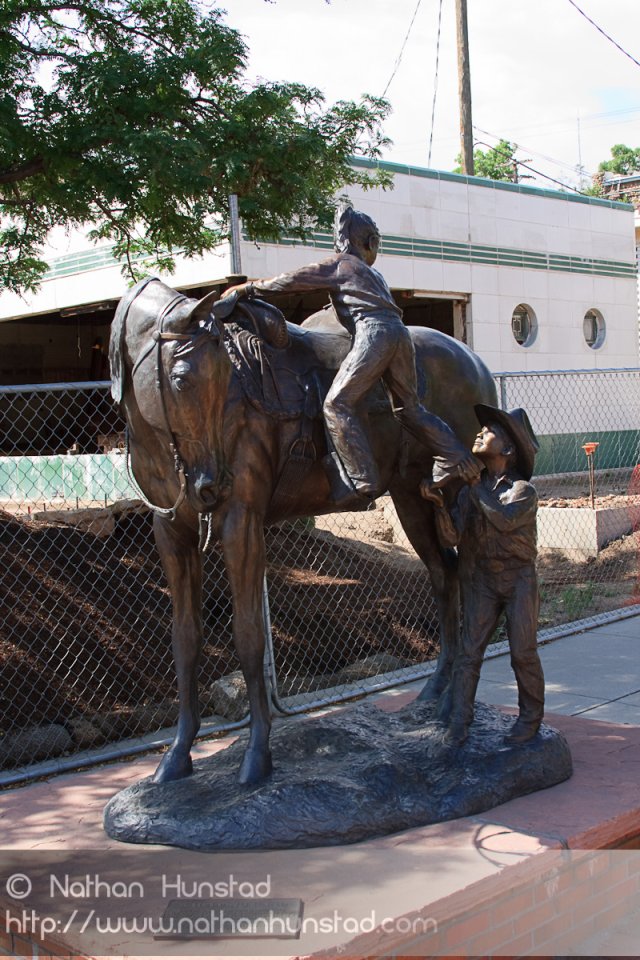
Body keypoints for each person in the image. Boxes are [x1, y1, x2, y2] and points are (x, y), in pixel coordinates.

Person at [225, 202, 480, 506]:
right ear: (368, 242)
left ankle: (362, 480)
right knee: (410, 409)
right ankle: (457, 455)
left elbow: (290, 281)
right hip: (400, 334)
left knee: (336, 403)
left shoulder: (340, 265)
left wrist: (247, 289)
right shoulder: (374, 276)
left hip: (375, 334)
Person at [420, 404, 545, 746]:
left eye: (488, 431)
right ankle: (460, 721)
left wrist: (475, 487)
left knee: (523, 653)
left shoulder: (522, 491)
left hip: (519, 580)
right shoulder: (466, 491)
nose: (479, 433)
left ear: (507, 449)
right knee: (468, 653)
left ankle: (530, 719)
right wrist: (439, 505)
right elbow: (451, 538)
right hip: (482, 582)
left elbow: (503, 520)